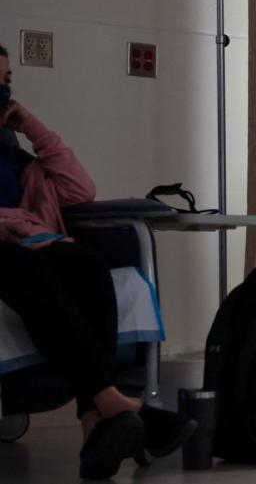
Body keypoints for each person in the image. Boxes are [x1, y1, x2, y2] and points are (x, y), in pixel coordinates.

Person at [0, 44, 195, 479]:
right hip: (8, 251)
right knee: (28, 266)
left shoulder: (19, 159)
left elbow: (80, 191)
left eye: (7, 82)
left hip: (39, 245)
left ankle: (95, 423)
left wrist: (33, 127)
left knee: (84, 265)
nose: (3, 92)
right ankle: (116, 406)